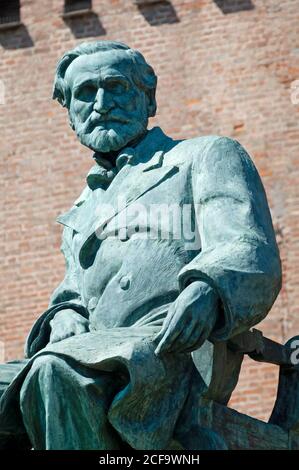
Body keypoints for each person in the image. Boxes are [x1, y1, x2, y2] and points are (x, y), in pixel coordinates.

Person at [0, 41, 281, 450]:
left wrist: (207, 288)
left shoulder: (203, 156)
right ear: (70, 114)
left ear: (148, 98)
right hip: (95, 348)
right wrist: (62, 316)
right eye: (85, 93)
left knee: (56, 372)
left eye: (116, 86)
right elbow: (74, 294)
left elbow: (248, 245)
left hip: (170, 348)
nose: (101, 103)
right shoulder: (83, 208)